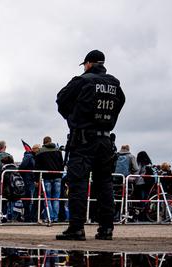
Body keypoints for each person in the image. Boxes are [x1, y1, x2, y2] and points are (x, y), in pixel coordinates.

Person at [56, 50, 125, 240]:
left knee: (78, 183)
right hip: (105, 140)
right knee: (105, 184)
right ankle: (106, 229)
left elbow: (61, 99)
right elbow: (121, 103)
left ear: (88, 64)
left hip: (83, 139)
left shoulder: (82, 81)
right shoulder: (115, 84)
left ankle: (76, 228)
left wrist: (74, 118)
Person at [35, 136, 64, 223]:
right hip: (57, 177)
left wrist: (37, 179)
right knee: (56, 198)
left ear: (43, 143)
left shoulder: (40, 152)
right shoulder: (58, 151)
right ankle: (55, 217)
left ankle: (49, 217)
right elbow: (61, 164)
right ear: (51, 141)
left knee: (47, 198)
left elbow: (37, 167)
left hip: (46, 177)